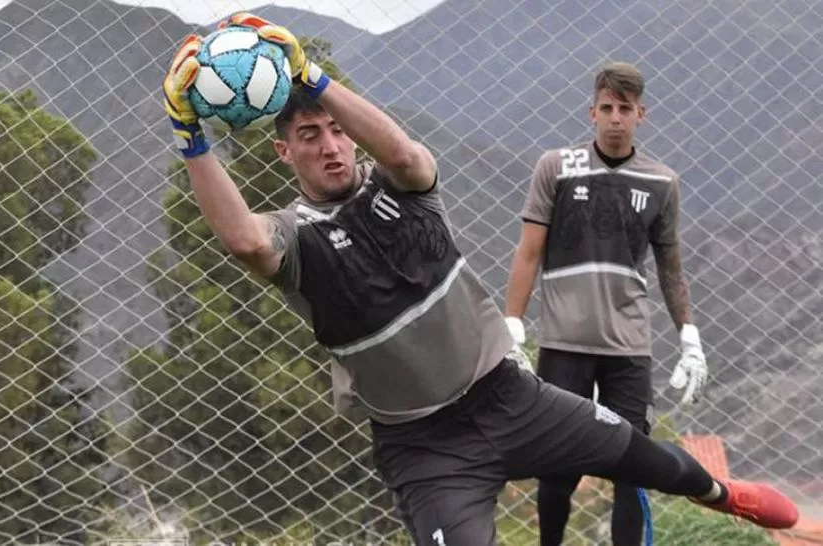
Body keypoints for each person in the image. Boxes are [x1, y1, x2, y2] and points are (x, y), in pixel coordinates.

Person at [163, 16, 799, 545]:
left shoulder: (407, 190)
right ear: (285, 152)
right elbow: (243, 239)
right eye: (309, 136)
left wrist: (311, 79)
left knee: (646, 458)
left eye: (337, 131)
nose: (330, 146)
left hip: (511, 397)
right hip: (426, 448)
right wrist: (189, 134)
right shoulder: (292, 236)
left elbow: (405, 154)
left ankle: (724, 495)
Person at [503, 61, 710, 545]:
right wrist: (512, 322)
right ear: (591, 111)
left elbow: (670, 267)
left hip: (628, 349)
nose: (616, 118)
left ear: (642, 114)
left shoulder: (662, 181)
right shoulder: (557, 166)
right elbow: (529, 250)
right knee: (557, 466)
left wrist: (690, 337)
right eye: (607, 108)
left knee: (631, 469)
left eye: (626, 109)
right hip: (565, 342)